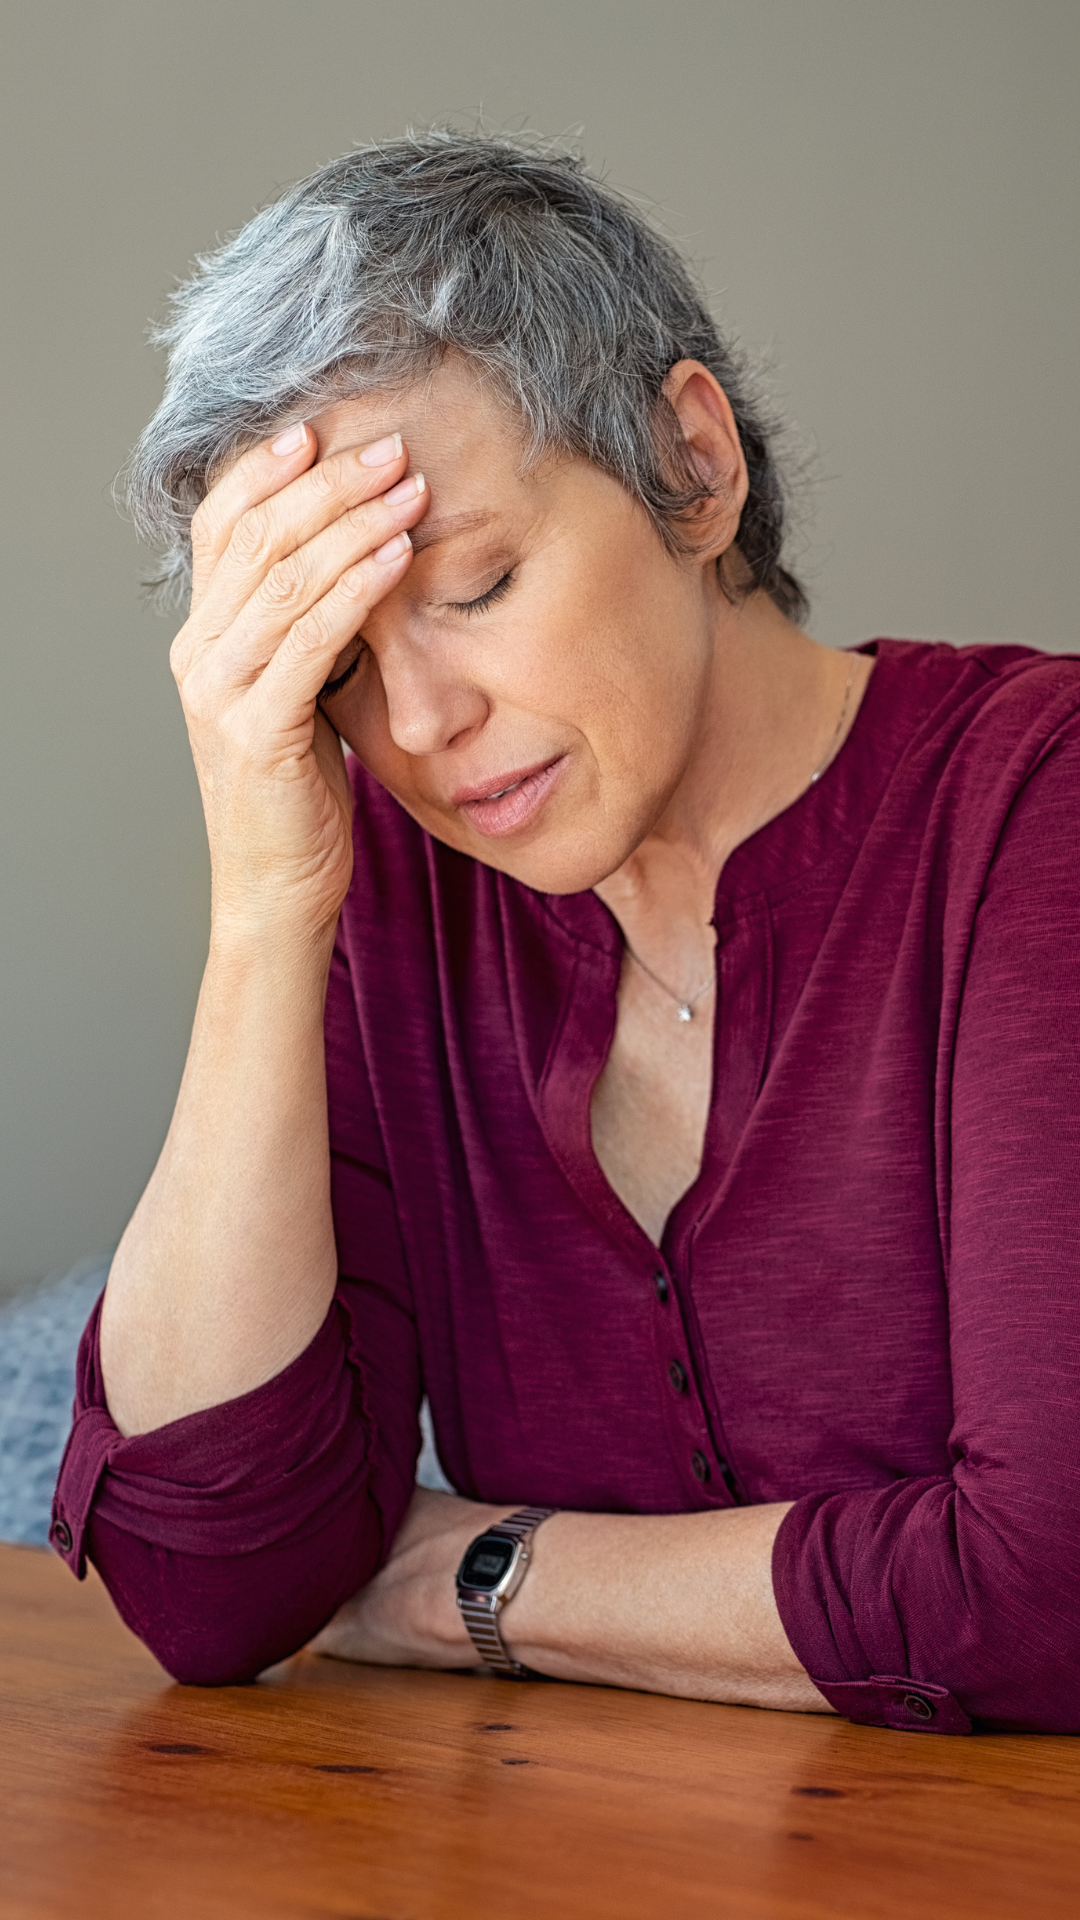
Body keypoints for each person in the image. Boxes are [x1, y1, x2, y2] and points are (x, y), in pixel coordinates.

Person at [52, 134, 1080, 1735]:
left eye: (475, 584)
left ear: (692, 464)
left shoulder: (1037, 808)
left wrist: (472, 1580)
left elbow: (1050, 1585)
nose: (418, 720)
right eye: (336, 665)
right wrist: (263, 916)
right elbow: (212, 1590)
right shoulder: (390, 894)